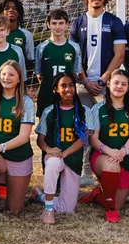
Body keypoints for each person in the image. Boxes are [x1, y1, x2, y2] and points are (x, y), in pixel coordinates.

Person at [0, 60, 35, 220]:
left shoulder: (26, 102)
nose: (6, 78)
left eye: (11, 74)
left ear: (19, 78)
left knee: (13, 210)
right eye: (3, 74)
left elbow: (23, 137)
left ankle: (36, 193)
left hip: (19, 156)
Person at [84, 69, 129, 223]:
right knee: (111, 165)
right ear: (109, 84)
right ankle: (109, 210)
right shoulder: (98, 109)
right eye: (116, 82)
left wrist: (123, 152)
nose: (119, 86)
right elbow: (93, 139)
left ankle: (98, 195)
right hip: (103, 156)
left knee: (118, 204)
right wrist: (110, 151)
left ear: (128, 87)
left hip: (125, 158)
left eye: (123, 84)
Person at [37, 71, 91, 224]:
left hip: (72, 158)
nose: (68, 89)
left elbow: (84, 138)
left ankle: (40, 196)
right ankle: (48, 208)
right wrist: (49, 150)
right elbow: (40, 139)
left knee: (67, 209)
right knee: (53, 163)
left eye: (71, 85)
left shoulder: (84, 111)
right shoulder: (49, 111)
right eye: (63, 86)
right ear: (56, 89)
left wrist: (66, 153)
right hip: (56, 155)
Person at [69, 0, 126, 105]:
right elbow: (74, 56)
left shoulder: (114, 22)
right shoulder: (77, 23)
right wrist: (86, 82)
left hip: (107, 84)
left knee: (106, 122)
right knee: (85, 123)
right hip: (82, 84)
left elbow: (120, 55)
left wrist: (102, 81)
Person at [36, 8, 82, 114]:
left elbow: (76, 72)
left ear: (67, 24)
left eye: (61, 23)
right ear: (48, 25)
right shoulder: (41, 48)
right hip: (46, 95)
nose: (57, 27)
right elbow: (39, 74)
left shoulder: (74, 47)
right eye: (54, 23)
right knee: (46, 128)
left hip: (67, 96)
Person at [0, 0, 35, 64]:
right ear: (1, 13)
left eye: (14, 8)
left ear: (19, 13)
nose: (11, 10)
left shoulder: (26, 35)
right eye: (7, 8)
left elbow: (30, 60)